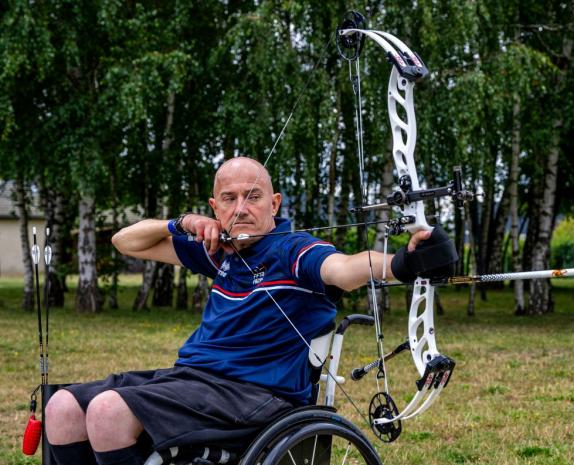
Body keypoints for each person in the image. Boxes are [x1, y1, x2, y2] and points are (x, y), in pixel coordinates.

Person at [44, 157, 457, 465]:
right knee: (61, 407)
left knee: (106, 411)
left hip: (257, 395)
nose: (241, 207)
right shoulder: (217, 253)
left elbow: (344, 268)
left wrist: (401, 264)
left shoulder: (294, 250)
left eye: (253, 196)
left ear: (273, 203)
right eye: (229, 199)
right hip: (194, 382)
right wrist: (183, 223)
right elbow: (124, 241)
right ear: (215, 206)